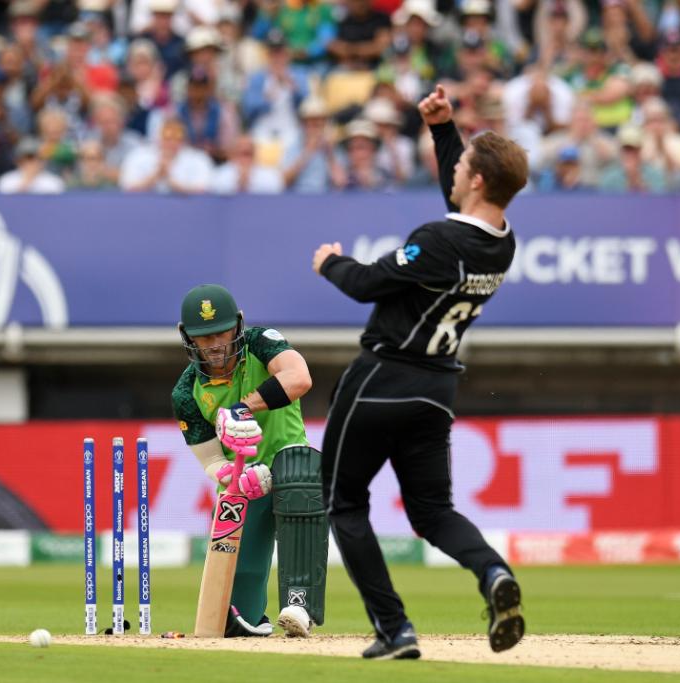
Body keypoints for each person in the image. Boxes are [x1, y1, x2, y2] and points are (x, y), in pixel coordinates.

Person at [311, 84, 526, 660]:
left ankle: (395, 629)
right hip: (437, 389)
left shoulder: (435, 240)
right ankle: (494, 571)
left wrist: (330, 262)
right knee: (433, 512)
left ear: (476, 180)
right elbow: (464, 200)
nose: (454, 170)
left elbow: (365, 284)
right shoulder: (503, 245)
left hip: (382, 377)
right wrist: (443, 129)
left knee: (343, 503)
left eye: (463, 165)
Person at [171, 284, 326, 639]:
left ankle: (299, 605)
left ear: (238, 325)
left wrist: (243, 407)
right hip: (246, 481)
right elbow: (211, 458)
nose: (214, 344)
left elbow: (299, 378)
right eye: (203, 337)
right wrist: (231, 475)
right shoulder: (186, 392)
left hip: (289, 465)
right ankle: (248, 616)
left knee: (300, 472)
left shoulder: (261, 343)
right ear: (188, 337)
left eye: (221, 333)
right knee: (239, 618)